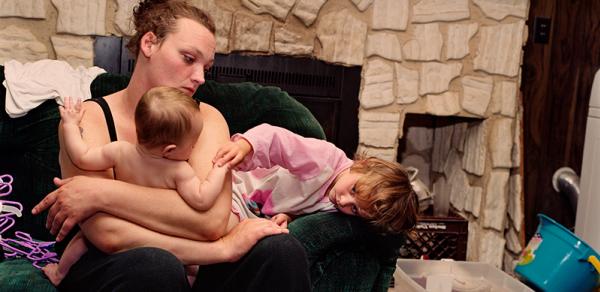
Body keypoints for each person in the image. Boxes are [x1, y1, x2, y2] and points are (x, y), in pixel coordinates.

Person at [31, 1, 310, 291]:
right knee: (155, 265)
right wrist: (222, 248)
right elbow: (107, 233)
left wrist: (101, 192)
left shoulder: (208, 119)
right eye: (189, 58)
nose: (200, 77)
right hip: (114, 265)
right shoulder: (90, 118)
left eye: (207, 67)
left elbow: (211, 222)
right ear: (149, 43)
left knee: (280, 249)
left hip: (196, 266)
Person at [42, 87, 230, 285]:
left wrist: (70, 126)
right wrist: (220, 169)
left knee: (82, 241)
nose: (193, 148)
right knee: (191, 266)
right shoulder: (179, 171)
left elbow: (82, 157)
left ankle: (59, 274)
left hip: (125, 222)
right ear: (170, 149)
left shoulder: (120, 151)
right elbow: (202, 199)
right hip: (160, 230)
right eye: (192, 144)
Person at [213, 123, 419, 234]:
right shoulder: (324, 160)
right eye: (354, 190)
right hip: (242, 184)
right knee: (217, 221)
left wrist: (291, 216)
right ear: (362, 166)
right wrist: (245, 146)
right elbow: (277, 140)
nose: (344, 201)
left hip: (253, 210)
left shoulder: (338, 208)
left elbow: (307, 208)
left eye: (355, 209)